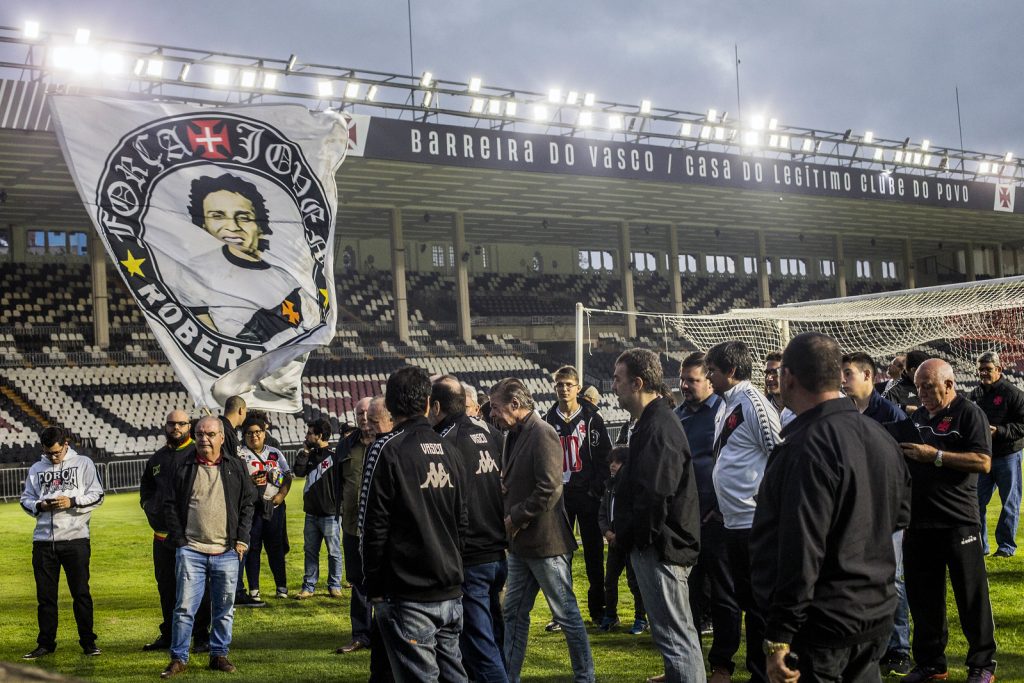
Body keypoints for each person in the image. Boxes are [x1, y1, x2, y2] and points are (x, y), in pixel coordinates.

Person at [751, 332, 913, 683]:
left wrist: (779, 634)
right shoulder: (879, 436)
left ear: (788, 377)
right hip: (873, 613)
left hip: (823, 629)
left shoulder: (803, 449)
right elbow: (899, 516)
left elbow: (799, 550)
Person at [360, 366, 469, 682]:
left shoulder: (386, 449)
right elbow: (462, 520)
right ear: (428, 404)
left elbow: (373, 524)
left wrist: (373, 586)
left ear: (389, 406)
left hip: (409, 593)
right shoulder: (450, 449)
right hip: (449, 587)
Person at [898, 358, 998, 683]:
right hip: (918, 522)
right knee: (923, 599)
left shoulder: (970, 414)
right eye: (918, 387)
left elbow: (983, 462)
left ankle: (983, 664)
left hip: (958, 521)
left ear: (949, 384)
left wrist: (936, 456)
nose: (922, 393)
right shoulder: (916, 418)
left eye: (928, 387)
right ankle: (931, 663)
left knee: (971, 597)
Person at [491, 377, 595, 683]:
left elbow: (550, 488)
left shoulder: (543, 432)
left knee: (566, 615)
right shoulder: (514, 435)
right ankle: (509, 676)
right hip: (522, 545)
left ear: (514, 404)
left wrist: (515, 517)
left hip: (546, 545)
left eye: (495, 407)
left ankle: (585, 677)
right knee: (513, 613)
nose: (492, 414)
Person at [612, 348, 705, 683]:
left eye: (618, 379)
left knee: (676, 638)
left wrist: (639, 539)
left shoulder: (659, 425)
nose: (614, 386)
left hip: (662, 548)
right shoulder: (652, 422)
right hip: (659, 545)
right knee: (675, 636)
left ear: (637, 383)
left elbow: (655, 496)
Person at [706, 339, 782, 683]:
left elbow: (779, 452)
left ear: (732, 370)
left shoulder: (754, 403)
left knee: (760, 605)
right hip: (733, 521)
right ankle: (756, 669)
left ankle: (763, 673)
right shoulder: (727, 404)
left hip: (754, 522)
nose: (709, 376)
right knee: (749, 601)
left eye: (713, 370)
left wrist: (765, 503)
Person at [160, 416, 256, 678]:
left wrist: (242, 539)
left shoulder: (236, 466)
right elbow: (169, 504)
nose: (204, 439)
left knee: (224, 609)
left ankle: (219, 655)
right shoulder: (182, 465)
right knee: (184, 609)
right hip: (191, 550)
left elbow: (248, 503)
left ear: (222, 437)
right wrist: (181, 541)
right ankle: (179, 658)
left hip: (227, 551)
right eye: (200, 434)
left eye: (210, 434)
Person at [173, 173, 321, 343]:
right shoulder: (195, 271)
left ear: (259, 223)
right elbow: (209, 342)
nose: (232, 227)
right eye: (217, 216)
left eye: (243, 217)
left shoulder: (290, 273)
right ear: (203, 224)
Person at [430, 375, 509, 683]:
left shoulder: (444, 441)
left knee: (479, 644)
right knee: (494, 634)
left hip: (471, 554)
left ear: (436, 407)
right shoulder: (491, 433)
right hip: (497, 550)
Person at [841, 352, 913, 676]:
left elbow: (905, 467)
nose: (843, 380)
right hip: (856, 509)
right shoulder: (844, 412)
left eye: (848, 374)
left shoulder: (890, 413)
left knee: (892, 579)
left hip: (885, 510)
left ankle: (899, 649)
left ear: (868, 375)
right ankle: (869, 646)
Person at [676, 352, 737, 683]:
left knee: (725, 595)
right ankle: (690, 663)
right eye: (682, 379)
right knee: (688, 596)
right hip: (686, 523)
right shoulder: (677, 416)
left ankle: (723, 665)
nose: (685, 386)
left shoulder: (726, 413)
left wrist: (719, 507)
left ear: (710, 381)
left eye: (693, 380)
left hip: (717, 520)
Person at [20, 427, 105, 660]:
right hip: (43, 542)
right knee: (46, 597)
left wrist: (72, 501)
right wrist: (40, 505)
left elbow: (98, 495)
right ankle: (45, 644)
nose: (53, 457)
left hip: (75, 539)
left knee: (81, 594)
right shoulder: (36, 469)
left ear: (65, 445)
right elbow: (25, 499)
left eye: (56, 453)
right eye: (48, 453)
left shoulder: (83, 463)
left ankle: (88, 642)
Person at [541, 365, 612, 624]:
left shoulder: (592, 418)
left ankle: (598, 610)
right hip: (560, 497)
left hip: (587, 495)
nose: (564, 389)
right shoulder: (548, 420)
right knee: (560, 556)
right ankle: (562, 614)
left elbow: (605, 457)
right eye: (559, 384)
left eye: (568, 385)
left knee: (594, 554)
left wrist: (596, 488)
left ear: (578, 388)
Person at [140, 410, 197, 651]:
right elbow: (146, 489)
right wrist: (149, 506)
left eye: (181, 424)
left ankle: (201, 636)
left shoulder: (197, 454)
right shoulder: (157, 458)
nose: (176, 428)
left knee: (196, 588)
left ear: (189, 426)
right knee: (166, 587)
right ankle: (169, 634)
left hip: (192, 537)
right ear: (166, 426)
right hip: (162, 538)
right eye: (172, 424)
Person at [970, 351, 1024, 557]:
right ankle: (981, 546)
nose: (983, 373)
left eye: (988, 369)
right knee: (976, 501)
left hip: (1008, 455)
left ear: (999, 369)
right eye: (981, 369)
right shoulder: (974, 394)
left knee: (1009, 502)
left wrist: (999, 431)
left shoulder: (1013, 394)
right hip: (983, 456)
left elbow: (1022, 425)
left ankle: (1006, 547)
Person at [335, 396, 374, 654]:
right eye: (359, 413)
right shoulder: (346, 445)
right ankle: (361, 635)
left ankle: (385, 634)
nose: (364, 417)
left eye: (368, 412)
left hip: (382, 528)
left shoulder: (389, 442)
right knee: (358, 582)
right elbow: (339, 481)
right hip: (351, 525)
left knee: (384, 582)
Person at [239, 411, 292, 600]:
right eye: (249, 433)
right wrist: (250, 481)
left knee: (276, 548)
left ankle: (281, 587)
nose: (254, 436)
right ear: (244, 435)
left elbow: (287, 475)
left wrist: (281, 495)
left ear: (264, 433)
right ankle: (254, 590)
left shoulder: (274, 453)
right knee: (252, 548)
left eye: (257, 432)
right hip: (251, 510)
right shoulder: (239, 454)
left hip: (274, 508)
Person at [597, 446, 647, 635]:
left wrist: (622, 534)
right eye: (611, 462)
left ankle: (641, 618)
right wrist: (607, 532)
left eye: (617, 462)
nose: (612, 465)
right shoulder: (609, 487)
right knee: (610, 580)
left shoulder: (632, 487)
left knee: (634, 582)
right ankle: (610, 615)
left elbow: (634, 514)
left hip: (629, 542)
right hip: (613, 543)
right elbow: (602, 513)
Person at [292, 417, 343, 599]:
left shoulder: (335, 456)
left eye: (310, 433)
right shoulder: (309, 455)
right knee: (310, 552)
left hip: (330, 514)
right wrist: (305, 451)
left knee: (334, 552)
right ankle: (308, 587)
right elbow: (298, 472)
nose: (306, 436)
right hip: (311, 513)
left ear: (319, 435)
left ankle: (335, 585)